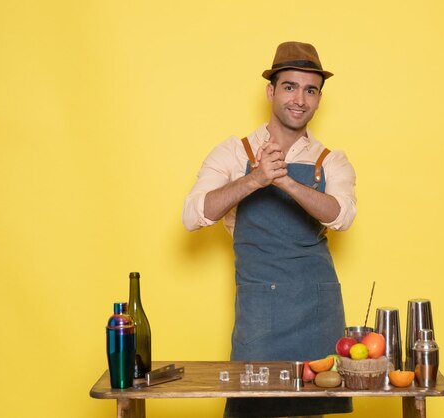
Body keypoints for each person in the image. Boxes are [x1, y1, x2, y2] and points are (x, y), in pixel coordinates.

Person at [183, 41, 357, 418]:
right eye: (290, 86)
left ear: (319, 99)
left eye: (311, 90)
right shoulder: (234, 152)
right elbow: (193, 214)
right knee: (252, 409)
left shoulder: (332, 161)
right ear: (271, 91)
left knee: (314, 410)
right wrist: (256, 179)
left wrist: (287, 184)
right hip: (260, 313)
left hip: (316, 311)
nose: (300, 99)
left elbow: (342, 216)